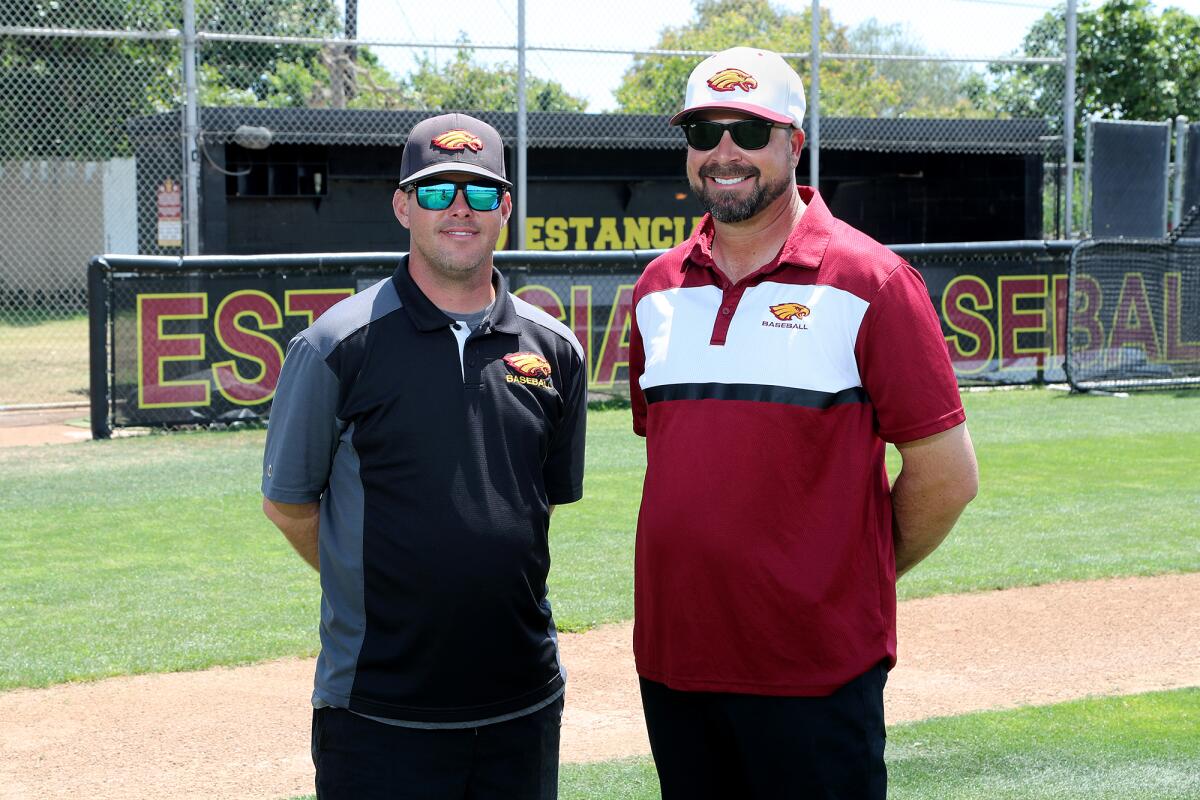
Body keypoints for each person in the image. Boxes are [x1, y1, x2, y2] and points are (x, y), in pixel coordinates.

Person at [628, 47, 979, 798]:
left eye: (750, 131)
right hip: (674, 666)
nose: (725, 153)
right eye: (704, 132)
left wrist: (844, 576)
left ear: (794, 141)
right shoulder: (656, 289)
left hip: (816, 672)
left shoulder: (873, 280)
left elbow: (947, 478)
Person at [261, 112, 587, 800]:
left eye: (478, 191)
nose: (459, 209)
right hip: (379, 709)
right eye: (438, 192)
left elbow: (539, 501)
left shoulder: (556, 349)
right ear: (403, 205)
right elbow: (289, 504)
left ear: (506, 206)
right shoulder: (335, 345)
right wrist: (371, 574)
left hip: (521, 700)